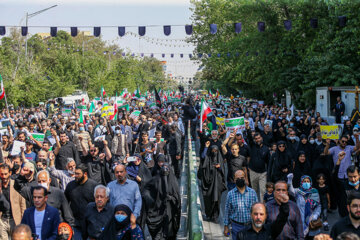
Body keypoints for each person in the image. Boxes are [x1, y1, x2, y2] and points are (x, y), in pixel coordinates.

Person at [143, 162, 181, 240]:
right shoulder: (156, 179)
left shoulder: (173, 182)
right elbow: (146, 190)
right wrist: (151, 200)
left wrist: (171, 198)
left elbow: (177, 198)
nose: (165, 170)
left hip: (169, 211)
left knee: (168, 232)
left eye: (167, 168)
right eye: (163, 168)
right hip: (157, 210)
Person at [65, 164, 98, 240]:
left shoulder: (94, 186)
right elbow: (65, 203)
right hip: (75, 224)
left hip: (90, 224)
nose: (75, 175)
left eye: (78, 174)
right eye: (75, 173)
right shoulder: (70, 186)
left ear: (85, 174)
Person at [223, 169, 258, 240]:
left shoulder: (252, 193)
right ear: (234, 180)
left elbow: (257, 210)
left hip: (250, 226)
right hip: (236, 227)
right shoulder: (230, 194)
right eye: (237, 178)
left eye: (242, 178)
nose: (240, 179)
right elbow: (227, 211)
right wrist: (226, 227)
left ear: (245, 178)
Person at [199, 144, 226, 222]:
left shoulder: (220, 159)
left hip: (217, 183)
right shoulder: (208, 158)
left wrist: (219, 167)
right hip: (208, 184)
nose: (214, 152)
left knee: (217, 200)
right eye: (213, 150)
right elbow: (203, 157)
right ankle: (208, 215)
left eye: (216, 151)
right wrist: (206, 147)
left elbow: (223, 171)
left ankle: (215, 216)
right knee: (208, 200)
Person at [0, 164, 26, 239]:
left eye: (5, 174)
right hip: (2, 220)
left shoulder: (15, 184)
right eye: (1, 174)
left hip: (15, 219)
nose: (4, 176)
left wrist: (22, 219)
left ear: (10, 173)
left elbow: (22, 203)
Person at [246, 123, 270, 201]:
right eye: (256, 138)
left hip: (263, 173)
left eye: (259, 138)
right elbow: (249, 137)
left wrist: (268, 174)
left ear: (261, 138)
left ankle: (262, 208)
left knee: (263, 191)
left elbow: (268, 162)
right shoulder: (252, 145)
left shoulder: (266, 149)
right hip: (253, 172)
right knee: (254, 191)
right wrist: (248, 128)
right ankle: (255, 207)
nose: (257, 140)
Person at [333, 151, 360, 217]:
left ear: (359, 175)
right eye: (350, 177)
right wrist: (339, 160)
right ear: (347, 176)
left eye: (355, 176)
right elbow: (334, 176)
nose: (353, 179)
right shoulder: (343, 185)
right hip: (346, 216)